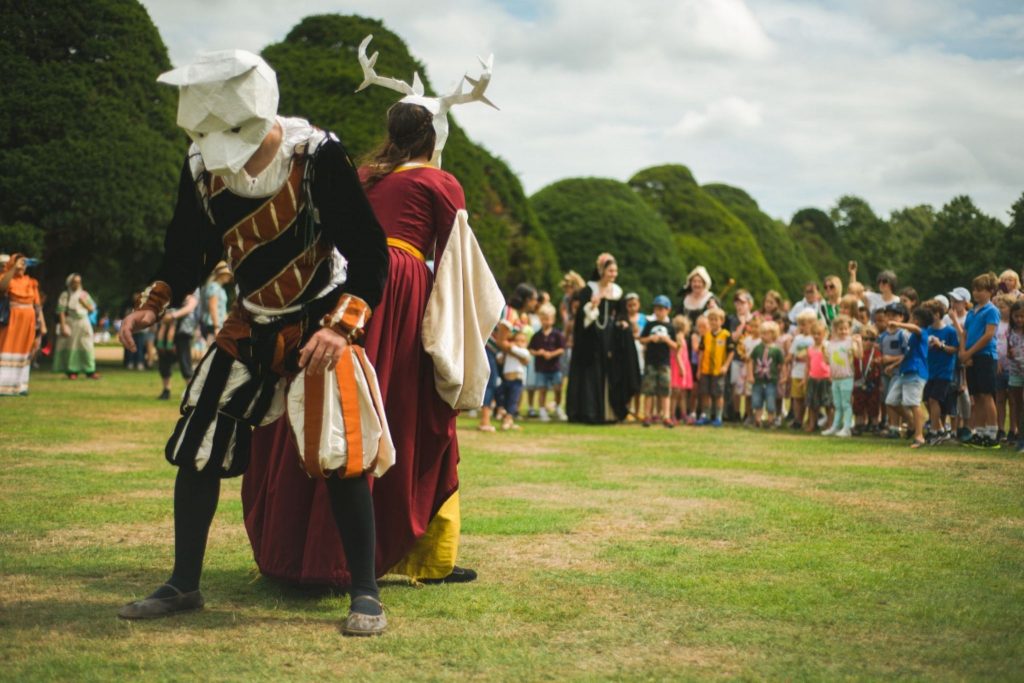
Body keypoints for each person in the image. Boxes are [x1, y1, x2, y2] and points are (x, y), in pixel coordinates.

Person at [115, 50, 390, 635]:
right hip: (249, 322)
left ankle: (365, 593)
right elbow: (188, 249)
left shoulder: (316, 155)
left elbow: (369, 252)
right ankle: (183, 583)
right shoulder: (198, 164)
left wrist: (340, 327)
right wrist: (155, 299)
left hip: (320, 320)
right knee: (198, 445)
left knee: (338, 453)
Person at [566, 253, 640, 423]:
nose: (613, 274)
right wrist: (592, 306)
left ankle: (609, 412)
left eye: (615, 271)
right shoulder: (589, 290)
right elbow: (580, 320)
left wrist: (622, 322)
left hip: (610, 338)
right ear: (602, 271)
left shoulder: (617, 292)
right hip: (591, 338)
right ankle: (589, 412)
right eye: (610, 271)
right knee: (591, 372)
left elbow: (621, 314)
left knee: (610, 371)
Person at [954, 273, 1001, 448]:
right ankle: (980, 431)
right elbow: (965, 333)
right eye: (974, 289)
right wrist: (963, 352)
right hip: (971, 356)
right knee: (977, 396)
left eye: (980, 290)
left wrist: (970, 352)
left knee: (987, 394)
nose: (976, 293)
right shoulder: (972, 312)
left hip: (986, 356)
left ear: (990, 291)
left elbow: (988, 335)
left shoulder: (991, 310)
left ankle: (992, 432)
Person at [482, 283, 537, 431]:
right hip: (489, 349)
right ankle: (485, 421)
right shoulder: (509, 313)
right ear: (525, 300)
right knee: (491, 383)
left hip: (498, 353)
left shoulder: (518, 316)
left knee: (503, 386)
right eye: (533, 299)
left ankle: (507, 418)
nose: (535, 303)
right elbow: (501, 341)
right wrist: (521, 355)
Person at [0, 254, 45, 396]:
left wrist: (42, 324)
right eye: (20, 262)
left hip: (28, 320)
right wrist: (13, 269)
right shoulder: (6, 278)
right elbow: (2, 288)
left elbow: (37, 305)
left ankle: (20, 385)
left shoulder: (31, 282)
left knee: (26, 350)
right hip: (13, 319)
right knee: (7, 346)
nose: (22, 266)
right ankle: (3, 384)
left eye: (24, 263)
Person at [888, 307, 933, 448]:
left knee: (914, 404)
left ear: (917, 320)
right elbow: (908, 354)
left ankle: (919, 436)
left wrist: (899, 324)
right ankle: (913, 424)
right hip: (905, 371)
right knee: (891, 401)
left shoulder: (922, 333)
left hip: (916, 373)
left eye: (912, 318)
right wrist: (894, 365)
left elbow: (915, 328)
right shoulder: (913, 337)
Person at [922, 299, 959, 445]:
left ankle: (933, 431)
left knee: (934, 399)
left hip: (944, 372)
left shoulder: (949, 331)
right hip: (928, 371)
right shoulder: (927, 331)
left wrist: (941, 345)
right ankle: (941, 429)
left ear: (937, 314)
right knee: (926, 400)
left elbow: (954, 349)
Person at [50, 273, 99, 380]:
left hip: (83, 322)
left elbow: (92, 310)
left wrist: (84, 303)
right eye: (74, 282)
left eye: (78, 282)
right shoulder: (65, 294)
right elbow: (61, 311)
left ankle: (90, 370)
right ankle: (72, 370)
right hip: (71, 322)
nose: (77, 284)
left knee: (87, 345)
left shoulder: (84, 294)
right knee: (72, 346)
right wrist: (63, 326)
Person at [639, 295, 677, 427]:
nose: (659, 311)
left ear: (668, 310)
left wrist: (666, 340)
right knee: (649, 390)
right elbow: (641, 339)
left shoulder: (671, 326)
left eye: (662, 309)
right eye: (657, 308)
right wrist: (650, 339)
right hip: (651, 362)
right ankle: (647, 415)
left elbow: (676, 345)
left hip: (665, 363)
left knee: (665, 391)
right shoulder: (650, 324)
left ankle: (666, 416)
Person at [155, 289, 199, 400]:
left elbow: (191, 306)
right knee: (164, 361)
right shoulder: (170, 285)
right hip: (165, 328)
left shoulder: (193, 288)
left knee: (185, 362)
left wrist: (173, 316)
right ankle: (166, 390)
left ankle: (191, 392)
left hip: (183, 331)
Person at [528, 303, 566, 422]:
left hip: (555, 367)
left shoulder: (557, 334)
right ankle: (542, 410)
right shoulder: (536, 335)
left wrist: (551, 354)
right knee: (542, 389)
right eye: (543, 319)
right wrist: (538, 353)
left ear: (553, 320)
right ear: (540, 319)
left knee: (558, 388)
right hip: (541, 368)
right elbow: (531, 349)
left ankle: (558, 407)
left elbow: (562, 349)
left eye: (548, 319)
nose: (546, 321)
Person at [695, 308, 734, 426]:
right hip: (706, 369)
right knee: (705, 393)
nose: (713, 322)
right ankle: (706, 415)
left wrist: (726, 366)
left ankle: (718, 417)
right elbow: (701, 352)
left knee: (718, 394)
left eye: (715, 320)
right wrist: (699, 369)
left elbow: (731, 352)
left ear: (721, 321)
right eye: (711, 320)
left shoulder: (726, 335)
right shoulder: (705, 336)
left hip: (718, 371)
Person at [822, 315, 860, 437]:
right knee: (837, 405)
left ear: (849, 329)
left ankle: (847, 428)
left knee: (846, 404)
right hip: (835, 378)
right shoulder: (831, 344)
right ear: (835, 329)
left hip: (847, 377)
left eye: (845, 329)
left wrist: (858, 343)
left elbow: (859, 355)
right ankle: (835, 426)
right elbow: (827, 361)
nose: (843, 331)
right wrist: (824, 352)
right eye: (840, 329)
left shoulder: (850, 342)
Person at [747, 320, 784, 429]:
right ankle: (758, 420)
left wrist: (783, 376)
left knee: (770, 400)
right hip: (758, 380)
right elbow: (750, 361)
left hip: (771, 381)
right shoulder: (757, 348)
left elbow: (781, 365)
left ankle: (770, 421)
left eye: (766, 333)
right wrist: (750, 375)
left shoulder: (776, 350)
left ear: (773, 335)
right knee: (757, 400)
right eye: (762, 333)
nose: (763, 336)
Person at [787, 309, 817, 430]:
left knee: (808, 398)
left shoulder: (814, 339)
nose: (803, 327)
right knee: (797, 397)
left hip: (809, 373)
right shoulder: (798, 339)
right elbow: (791, 354)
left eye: (805, 324)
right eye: (801, 324)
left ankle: (810, 421)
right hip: (797, 371)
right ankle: (797, 419)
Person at [852, 324, 881, 435]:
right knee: (858, 404)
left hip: (873, 383)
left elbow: (879, 366)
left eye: (872, 339)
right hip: (859, 382)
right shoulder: (856, 351)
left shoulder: (876, 352)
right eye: (865, 339)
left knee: (873, 404)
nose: (868, 342)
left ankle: (874, 424)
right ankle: (859, 425)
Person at [804, 320, 832, 433]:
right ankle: (812, 424)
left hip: (826, 379)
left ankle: (830, 425)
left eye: (819, 333)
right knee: (812, 405)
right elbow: (807, 365)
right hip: (813, 379)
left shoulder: (827, 347)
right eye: (814, 333)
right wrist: (805, 379)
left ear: (825, 333)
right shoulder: (810, 349)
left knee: (828, 404)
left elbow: (831, 363)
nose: (816, 336)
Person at [500, 331, 531, 430]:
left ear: (526, 343)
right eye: (516, 340)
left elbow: (523, 355)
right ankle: (506, 416)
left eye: (522, 341)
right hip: (506, 379)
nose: (519, 343)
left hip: (517, 380)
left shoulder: (524, 351)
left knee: (513, 401)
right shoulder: (509, 352)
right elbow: (499, 358)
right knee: (500, 394)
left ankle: (508, 419)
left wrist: (511, 347)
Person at [1006, 300, 1024, 452]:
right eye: (1016, 316)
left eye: (1022, 316)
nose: (1019, 319)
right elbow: (1008, 351)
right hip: (1015, 372)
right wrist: (1010, 354)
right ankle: (1020, 436)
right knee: (1018, 405)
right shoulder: (1010, 332)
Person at [669, 314, 693, 424]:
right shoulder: (679, 337)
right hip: (678, 366)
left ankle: (683, 414)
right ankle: (672, 415)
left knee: (682, 393)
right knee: (676, 393)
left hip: (682, 365)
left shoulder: (681, 337)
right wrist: (681, 368)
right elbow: (677, 354)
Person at [200, 261, 232, 342]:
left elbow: (222, 310)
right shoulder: (214, 287)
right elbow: (213, 307)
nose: (229, 276)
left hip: (218, 326)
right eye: (227, 274)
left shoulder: (221, 289)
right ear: (221, 274)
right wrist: (216, 327)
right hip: (212, 326)